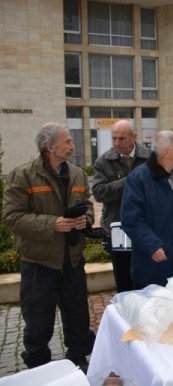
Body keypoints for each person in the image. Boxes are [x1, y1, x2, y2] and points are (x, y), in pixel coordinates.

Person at [2, 123, 96, 371]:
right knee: (38, 323)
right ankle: (39, 368)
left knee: (77, 318)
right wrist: (52, 224)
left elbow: (87, 205)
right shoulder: (22, 175)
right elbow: (11, 217)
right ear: (49, 146)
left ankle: (79, 360)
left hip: (73, 261)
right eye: (67, 141)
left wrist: (84, 219)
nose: (72, 146)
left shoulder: (78, 174)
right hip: (39, 264)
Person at [121, 130, 173, 288]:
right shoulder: (139, 178)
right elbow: (131, 219)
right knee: (153, 310)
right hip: (153, 264)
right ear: (167, 151)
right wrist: (152, 246)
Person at [92, 120, 151, 292]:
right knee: (124, 279)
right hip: (119, 229)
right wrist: (129, 181)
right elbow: (98, 193)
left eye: (122, 138)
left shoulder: (150, 158)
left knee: (147, 280)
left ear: (134, 137)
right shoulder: (103, 161)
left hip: (146, 227)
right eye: (114, 138)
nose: (117, 143)